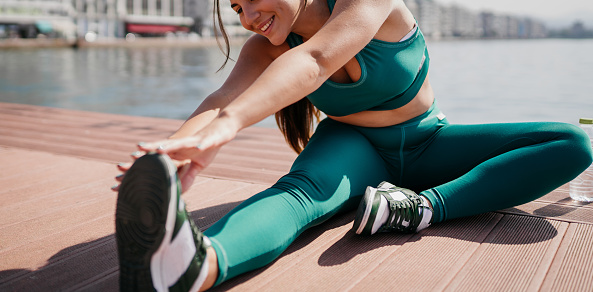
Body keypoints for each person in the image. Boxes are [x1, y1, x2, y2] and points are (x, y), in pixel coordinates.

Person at [112, 0, 593, 290]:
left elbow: (318, 59)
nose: (247, 16)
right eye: (237, 8)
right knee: (296, 194)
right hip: (352, 146)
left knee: (571, 143)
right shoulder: (266, 47)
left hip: (429, 143)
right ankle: (197, 266)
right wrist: (167, 153)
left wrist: (231, 125)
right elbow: (221, 98)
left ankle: (420, 209)